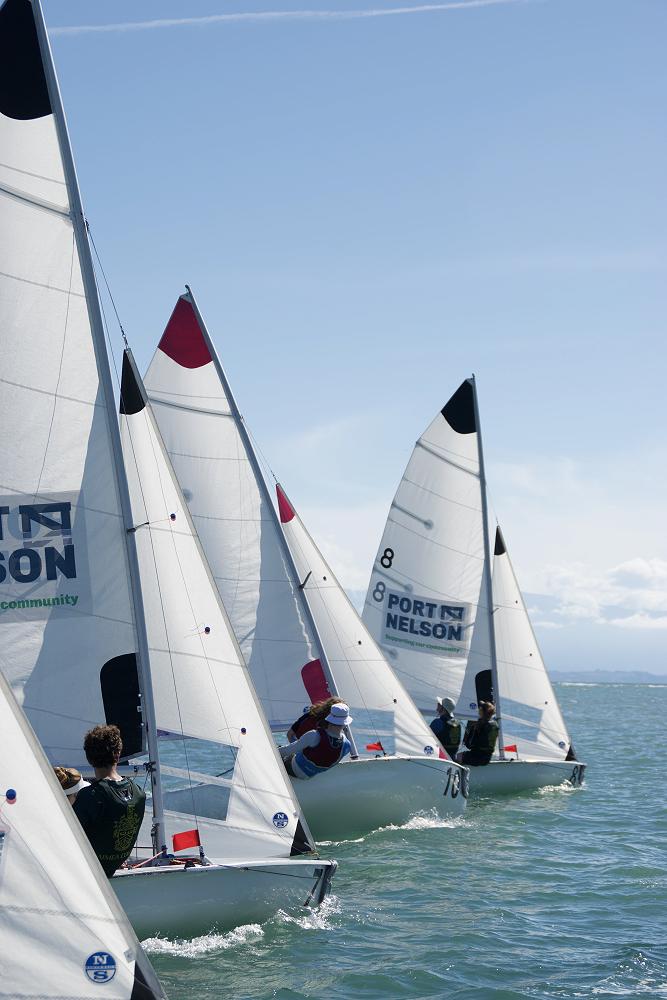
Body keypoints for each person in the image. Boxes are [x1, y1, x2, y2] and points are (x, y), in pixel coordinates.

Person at [73, 724, 146, 877]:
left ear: (89, 758)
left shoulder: (90, 796)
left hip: (88, 872)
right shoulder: (139, 793)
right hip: (113, 867)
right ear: (118, 754)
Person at [280, 703, 352, 779]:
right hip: (309, 775)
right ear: (345, 723)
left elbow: (287, 751)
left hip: (294, 769)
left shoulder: (314, 735)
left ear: (329, 717)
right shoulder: (347, 745)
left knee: (280, 751)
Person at [457, 701, 499, 766]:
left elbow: (469, 745)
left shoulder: (479, 725)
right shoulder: (495, 724)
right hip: (488, 757)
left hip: (477, 757)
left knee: (457, 756)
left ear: (482, 712)